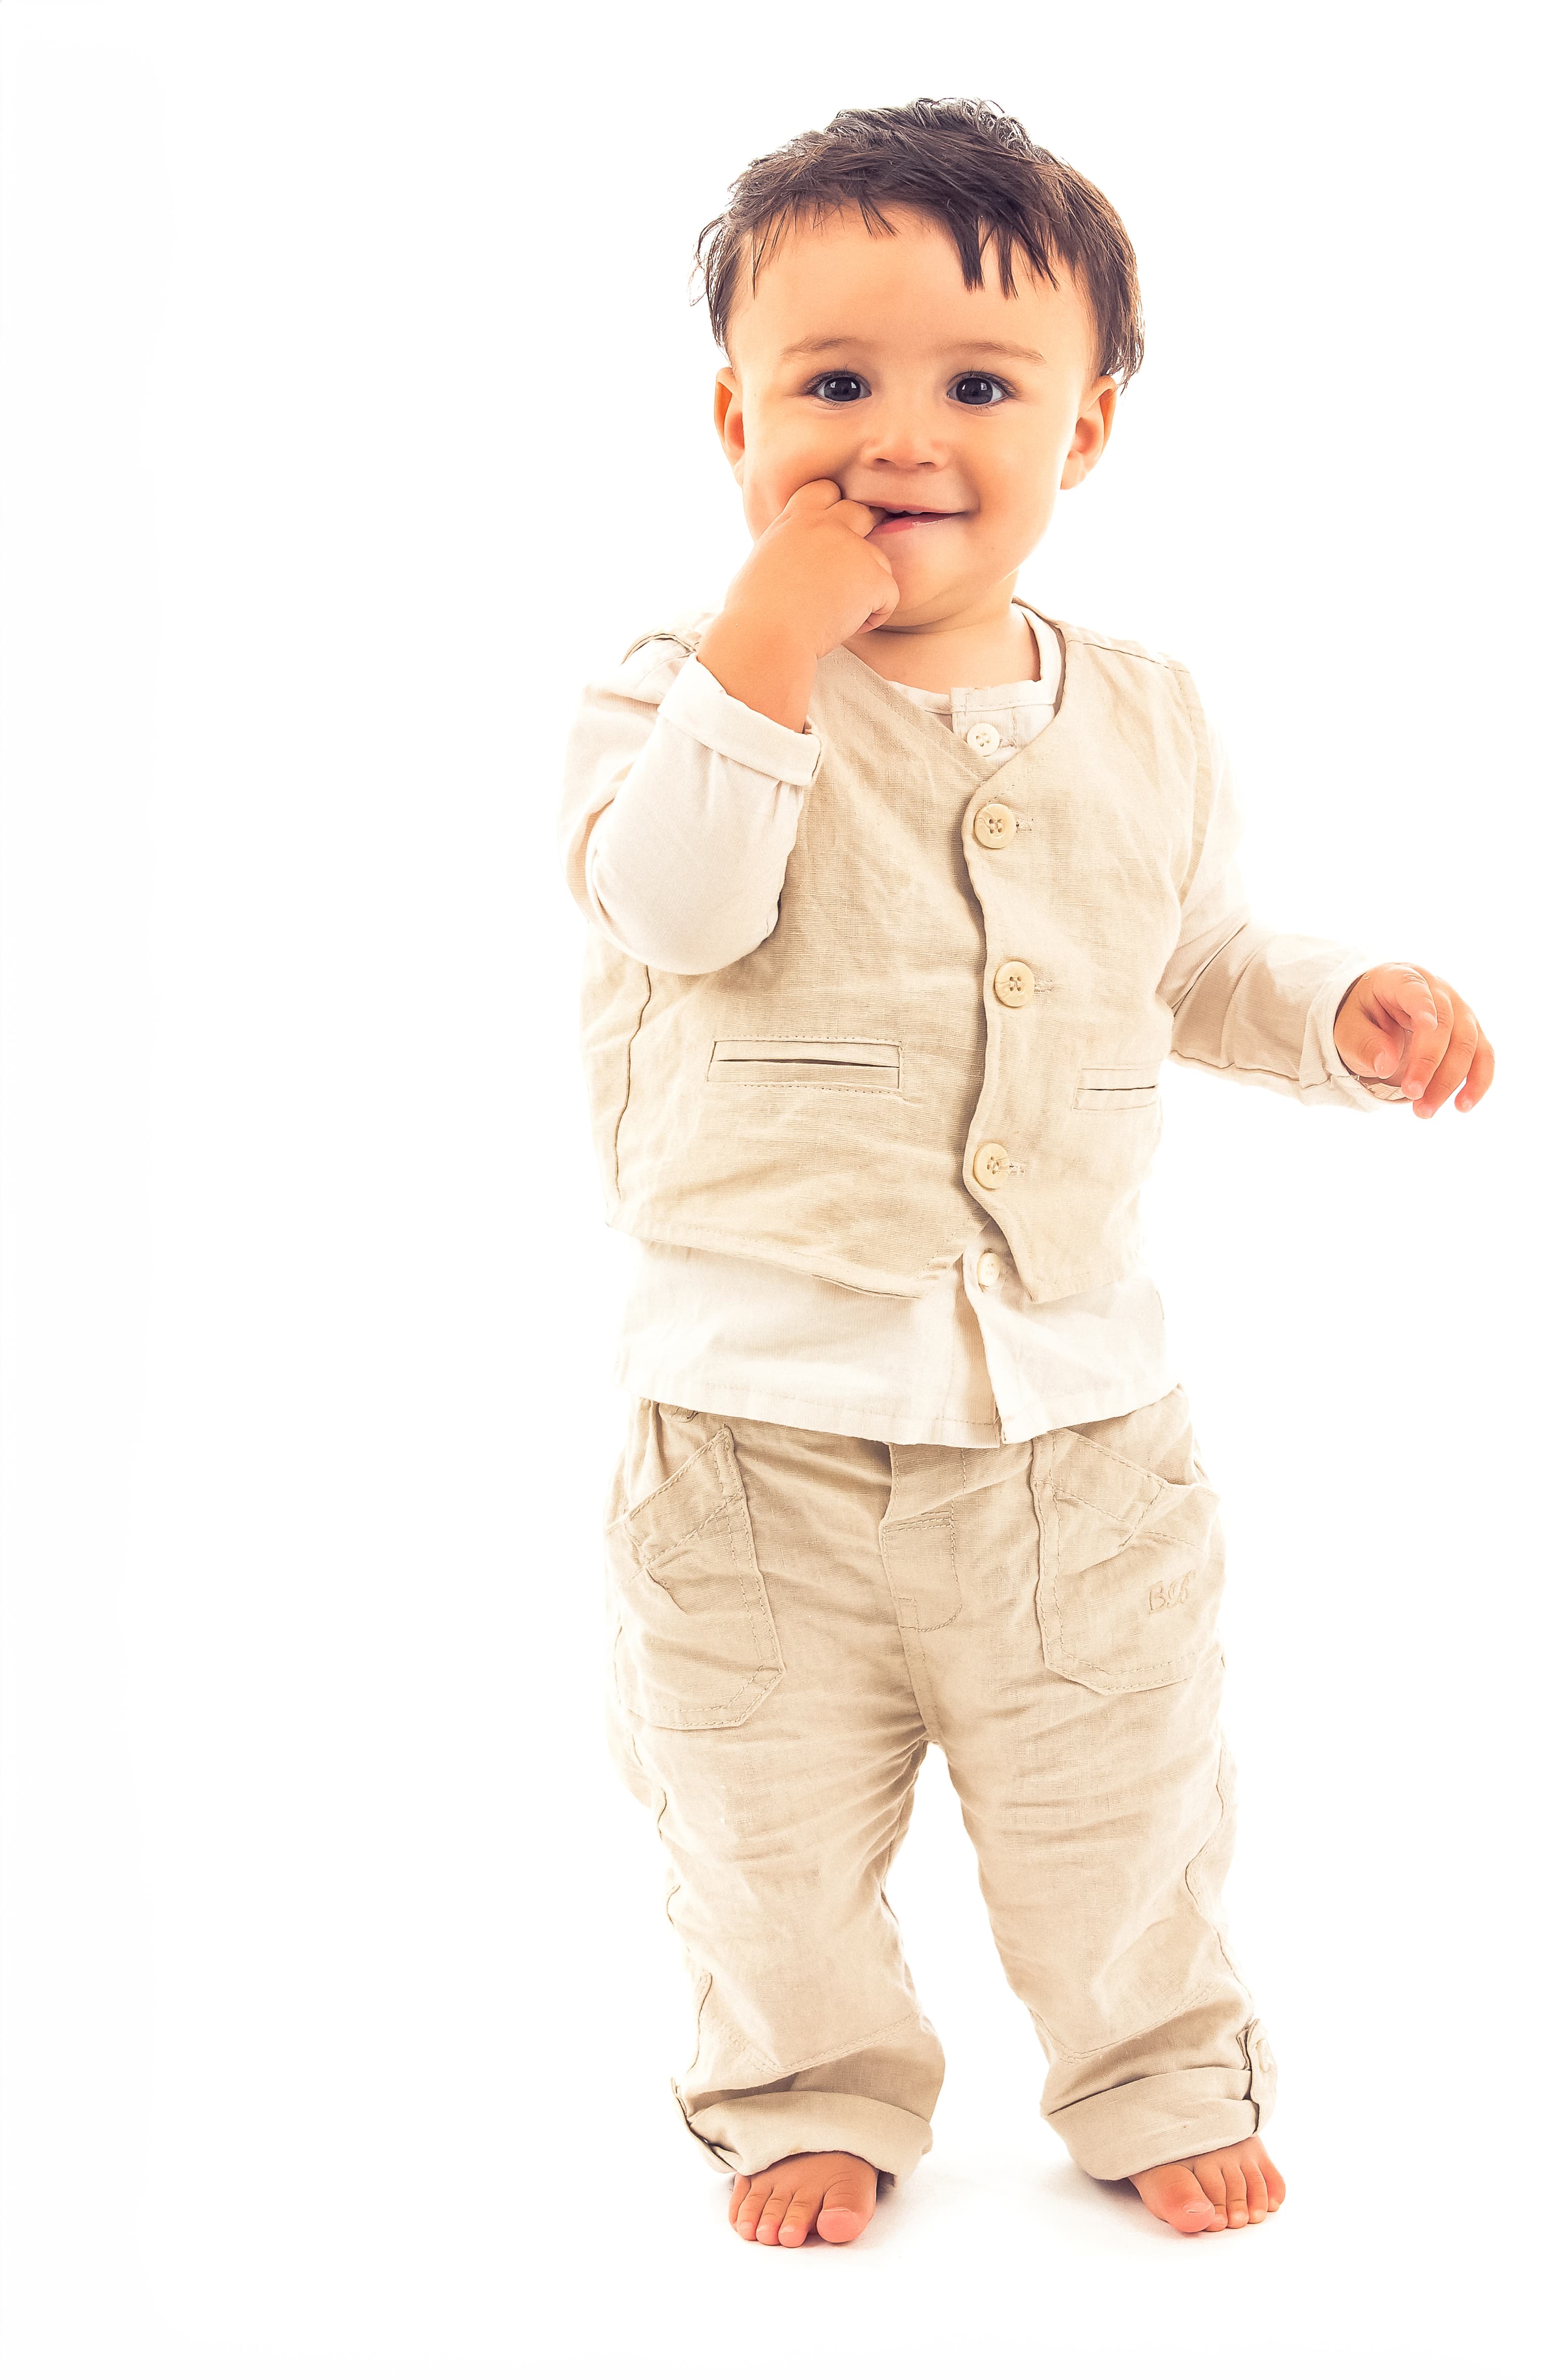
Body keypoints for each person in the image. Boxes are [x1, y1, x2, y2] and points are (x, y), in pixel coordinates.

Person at [558, 96, 1493, 2251]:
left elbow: (1186, 954)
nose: (902, 435)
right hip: (748, 1449)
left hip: (1075, 1439)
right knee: (758, 1820)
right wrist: (767, 641)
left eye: (979, 385)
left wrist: (1343, 1003)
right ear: (734, 417)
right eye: (833, 382)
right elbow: (678, 909)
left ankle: (1156, 2057)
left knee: (1121, 1798)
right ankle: (805, 2080)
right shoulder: (664, 694)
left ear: (1080, 437)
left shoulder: (1146, 713)